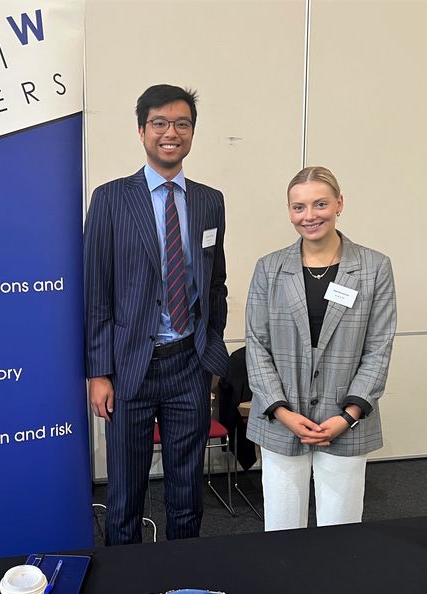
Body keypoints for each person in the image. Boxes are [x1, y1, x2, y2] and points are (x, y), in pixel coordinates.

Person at [84, 84, 229, 545]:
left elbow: (215, 283)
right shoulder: (110, 199)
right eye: (161, 123)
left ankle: (182, 575)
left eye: (182, 124)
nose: (172, 132)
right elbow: (96, 294)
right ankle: (125, 579)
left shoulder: (209, 201)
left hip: (189, 364)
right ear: (142, 130)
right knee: (125, 493)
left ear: (192, 132)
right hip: (130, 370)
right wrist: (98, 372)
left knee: (187, 493)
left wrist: (212, 355)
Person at [245, 166, 396, 530]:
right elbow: (256, 344)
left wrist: (348, 415)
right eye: (299, 207)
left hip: (345, 421)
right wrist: (282, 412)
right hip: (281, 421)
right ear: (289, 212)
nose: (309, 216)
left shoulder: (374, 267)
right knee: (282, 531)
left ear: (340, 204)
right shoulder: (269, 269)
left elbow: (379, 347)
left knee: (341, 532)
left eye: (320, 204)